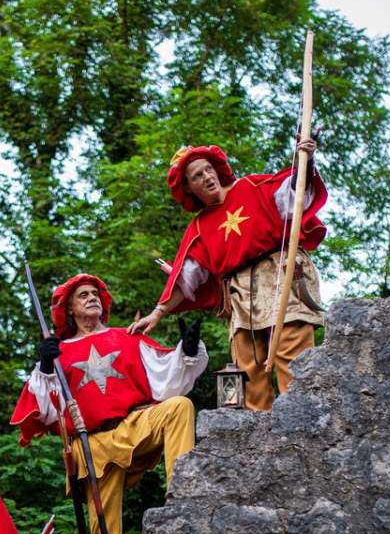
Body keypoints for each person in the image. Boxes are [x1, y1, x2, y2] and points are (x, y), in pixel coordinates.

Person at [11, 273, 206, 534]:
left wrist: (188, 351)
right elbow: (41, 408)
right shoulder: (59, 353)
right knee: (103, 526)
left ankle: (183, 497)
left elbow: (166, 377)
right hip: (92, 442)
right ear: (69, 309)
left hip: (133, 423)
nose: (91, 298)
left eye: (94, 293)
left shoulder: (124, 337)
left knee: (179, 407)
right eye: (82, 296)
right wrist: (44, 365)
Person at [128, 139, 327, 411]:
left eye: (208, 169)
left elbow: (294, 193)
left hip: (279, 277)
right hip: (239, 295)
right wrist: (158, 312)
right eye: (197, 176)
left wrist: (306, 160)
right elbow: (186, 278)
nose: (207, 177)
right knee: (248, 372)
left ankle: (306, 423)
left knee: (293, 359)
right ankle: (258, 443)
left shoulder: (251, 187)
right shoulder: (199, 226)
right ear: (188, 188)